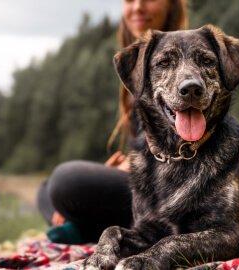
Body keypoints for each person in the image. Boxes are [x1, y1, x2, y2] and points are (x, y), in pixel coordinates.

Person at [37, 0, 188, 244]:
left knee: (66, 182)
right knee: (45, 188)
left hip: (173, 186)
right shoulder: (136, 64)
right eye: (129, 0)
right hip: (145, 180)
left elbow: (187, 149)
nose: (137, 7)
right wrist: (123, 167)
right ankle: (83, 227)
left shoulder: (181, 64)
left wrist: (133, 166)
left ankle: (82, 229)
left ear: (171, 5)